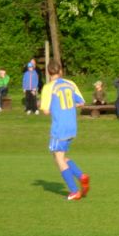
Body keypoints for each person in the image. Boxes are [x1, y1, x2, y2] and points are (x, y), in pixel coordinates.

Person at [40, 59, 89, 201]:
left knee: (59, 159)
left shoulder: (48, 87)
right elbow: (81, 102)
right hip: (72, 125)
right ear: (60, 71)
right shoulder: (70, 84)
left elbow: (46, 111)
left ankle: (74, 191)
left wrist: (54, 108)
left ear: (48, 72)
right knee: (59, 156)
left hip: (59, 127)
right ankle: (81, 176)